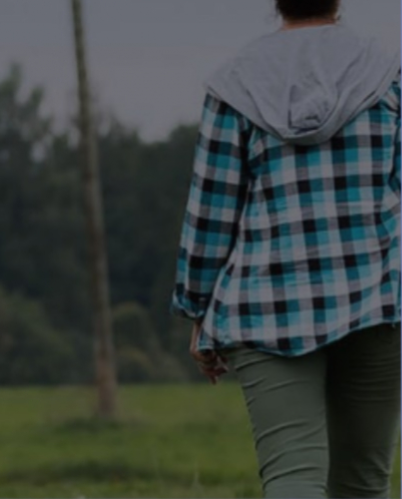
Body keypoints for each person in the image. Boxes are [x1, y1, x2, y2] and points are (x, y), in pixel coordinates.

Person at [170, 0, 401, 497]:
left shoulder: (235, 84)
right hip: (377, 297)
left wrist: (197, 308)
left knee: (292, 478)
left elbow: (212, 211)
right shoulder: (388, 76)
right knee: (364, 483)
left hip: (267, 308)